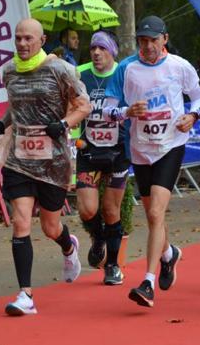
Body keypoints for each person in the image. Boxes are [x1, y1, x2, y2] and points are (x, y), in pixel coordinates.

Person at [103, 15, 200, 307]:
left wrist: (192, 116)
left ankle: (147, 281)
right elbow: (108, 110)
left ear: (165, 40)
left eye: (152, 40)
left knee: (156, 213)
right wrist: (126, 112)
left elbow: (198, 98)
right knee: (152, 215)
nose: (146, 46)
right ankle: (169, 254)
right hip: (141, 149)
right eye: (142, 41)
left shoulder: (179, 66)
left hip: (171, 145)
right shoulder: (126, 68)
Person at [0, 18, 90, 316]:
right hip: (19, 159)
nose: (22, 44)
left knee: (50, 226)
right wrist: (2, 123)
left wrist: (62, 124)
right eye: (18, 38)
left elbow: (84, 105)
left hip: (53, 161)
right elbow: (18, 107)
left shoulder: (60, 69)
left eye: (28, 39)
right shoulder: (9, 71)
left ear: (42, 39)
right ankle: (26, 295)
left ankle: (68, 245)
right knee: (21, 222)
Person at [75, 30, 129, 285]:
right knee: (87, 210)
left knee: (110, 209)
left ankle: (113, 265)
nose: (96, 53)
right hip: (88, 150)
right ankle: (98, 238)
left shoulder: (124, 73)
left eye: (102, 48)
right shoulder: (80, 74)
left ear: (112, 51)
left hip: (117, 153)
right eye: (93, 48)